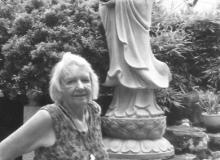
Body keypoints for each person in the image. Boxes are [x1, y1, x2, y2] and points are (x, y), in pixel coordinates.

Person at [0, 52, 109, 160]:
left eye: (85, 80)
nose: (80, 87)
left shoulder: (93, 111)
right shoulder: (50, 117)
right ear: (59, 88)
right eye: (71, 82)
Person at [99, 0, 171, 117]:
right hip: (118, 35)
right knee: (122, 69)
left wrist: (120, 2)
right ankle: (120, 108)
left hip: (136, 35)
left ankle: (144, 107)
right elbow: (103, 4)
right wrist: (109, 5)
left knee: (138, 63)